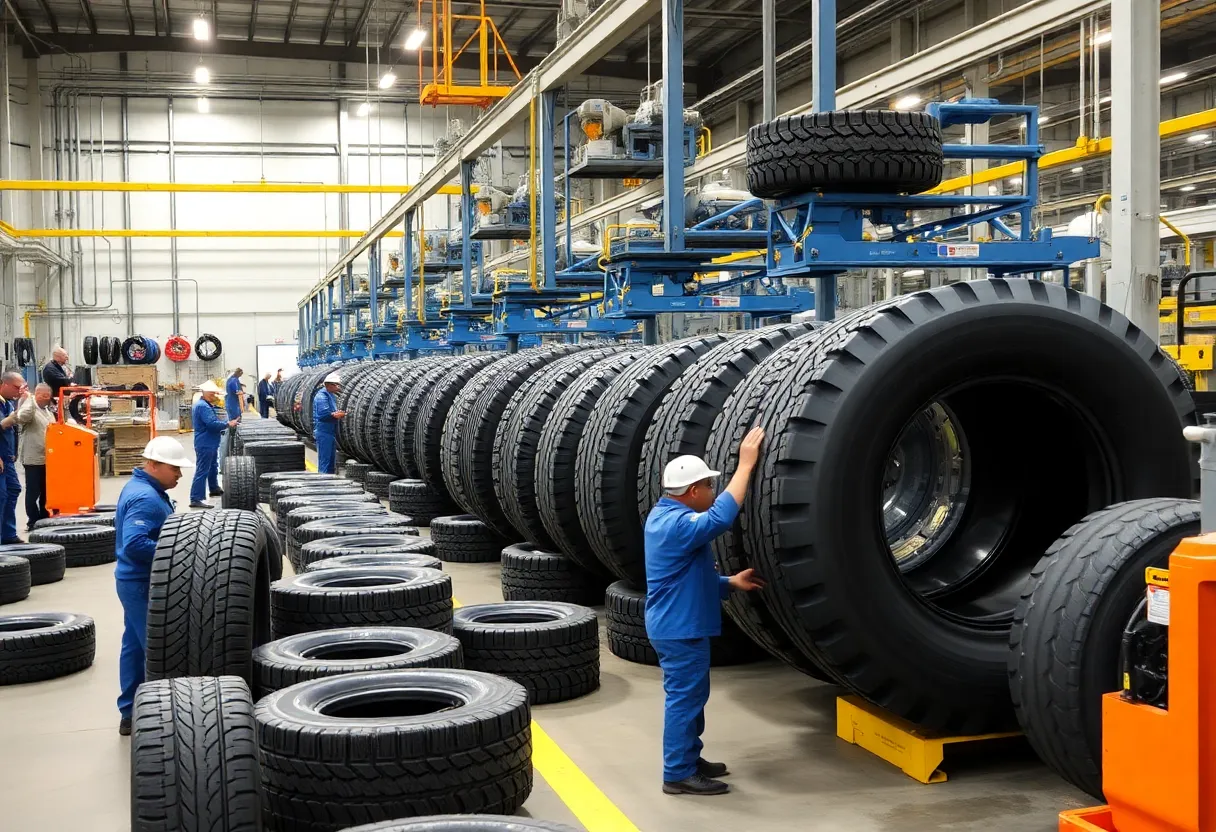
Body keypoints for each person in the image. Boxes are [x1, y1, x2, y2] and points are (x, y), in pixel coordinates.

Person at [644, 426, 768, 797]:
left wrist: (729, 583)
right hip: (679, 629)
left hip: (678, 623)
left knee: (692, 697)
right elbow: (719, 519)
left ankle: (688, 758)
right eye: (709, 487)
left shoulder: (665, 518)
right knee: (685, 699)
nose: (712, 493)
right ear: (694, 491)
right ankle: (677, 773)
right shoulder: (676, 524)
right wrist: (745, 466)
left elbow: (685, 578)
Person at [115, 435, 192, 736]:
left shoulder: (146, 489)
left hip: (135, 579)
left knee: (134, 646)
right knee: (159, 649)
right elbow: (135, 543)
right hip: (141, 583)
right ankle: (163, 718)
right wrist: (178, 550)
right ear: (155, 465)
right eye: (174, 469)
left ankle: (130, 712)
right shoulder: (146, 497)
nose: (179, 475)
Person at [190, 380, 237, 509]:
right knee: (202, 469)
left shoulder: (205, 404)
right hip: (205, 442)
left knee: (212, 466)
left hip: (210, 441)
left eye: (214, 394)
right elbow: (212, 424)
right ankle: (195, 498)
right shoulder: (203, 407)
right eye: (211, 394)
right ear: (204, 393)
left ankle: (214, 487)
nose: (214, 396)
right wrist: (228, 424)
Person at [16, 383, 54, 530]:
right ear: (36, 394)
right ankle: (32, 521)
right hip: (32, 459)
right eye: (42, 396)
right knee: (33, 491)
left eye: (47, 396)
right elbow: (22, 417)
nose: (45, 399)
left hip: (47, 458)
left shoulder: (47, 411)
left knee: (46, 490)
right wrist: (29, 399)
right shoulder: (30, 408)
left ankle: (44, 518)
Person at [0, 373, 27, 543]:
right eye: (16, 388)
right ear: (4, 384)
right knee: (1, 496)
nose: (18, 391)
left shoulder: (7, 403)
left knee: (13, 490)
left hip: (8, 457)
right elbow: (3, 425)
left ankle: (8, 534)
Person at [312, 372, 345, 474]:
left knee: (330, 463)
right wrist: (336, 415)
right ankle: (323, 486)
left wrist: (338, 413)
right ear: (329, 385)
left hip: (330, 433)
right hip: (324, 433)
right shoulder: (322, 396)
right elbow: (323, 415)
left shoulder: (330, 395)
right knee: (325, 463)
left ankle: (330, 485)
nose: (338, 387)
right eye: (336, 385)